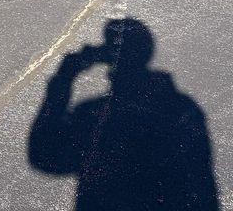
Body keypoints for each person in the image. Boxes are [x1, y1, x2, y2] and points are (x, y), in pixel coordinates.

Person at [28, 18, 219, 210]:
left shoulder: (96, 115)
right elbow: (204, 189)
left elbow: (46, 156)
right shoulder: (184, 111)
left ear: (108, 57)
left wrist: (64, 78)